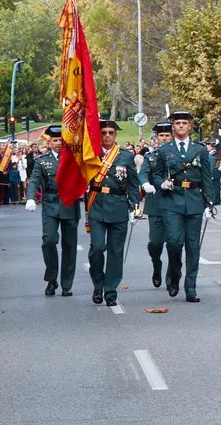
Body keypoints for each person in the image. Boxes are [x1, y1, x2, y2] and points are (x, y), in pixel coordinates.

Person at [152, 111, 213, 303]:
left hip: (194, 199)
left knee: (193, 246)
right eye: (177, 123)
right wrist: (162, 183)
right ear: (173, 126)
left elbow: (206, 177)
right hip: (172, 199)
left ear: (189, 126)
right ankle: (174, 272)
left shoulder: (200, 149)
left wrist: (209, 203)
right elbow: (156, 175)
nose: (180, 126)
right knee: (174, 242)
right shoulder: (165, 150)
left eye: (184, 123)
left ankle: (191, 287)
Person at [86, 120, 139, 307]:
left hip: (119, 207)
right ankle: (98, 284)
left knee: (116, 252)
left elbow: (133, 184)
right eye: (104, 133)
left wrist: (135, 208)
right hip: (97, 206)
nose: (107, 136)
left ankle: (110, 290)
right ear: (99, 135)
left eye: (111, 133)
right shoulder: (91, 154)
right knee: (97, 248)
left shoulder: (126, 156)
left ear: (115, 135)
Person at [25, 126, 80, 296]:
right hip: (51, 204)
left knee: (69, 246)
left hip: (69, 204)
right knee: (48, 241)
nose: (58, 143)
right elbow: (34, 180)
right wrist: (31, 197)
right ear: (49, 142)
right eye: (55, 140)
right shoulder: (42, 161)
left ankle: (67, 284)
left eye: (60, 141)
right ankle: (51, 278)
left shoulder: (74, 159)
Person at [139, 122, 172, 288]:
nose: (164, 138)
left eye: (167, 135)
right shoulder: (150, 157)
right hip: (156, 203)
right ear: (156, 137)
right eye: (161, 135)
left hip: (174, 202)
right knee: (155, 243)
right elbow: (143, 173)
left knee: (174, 243)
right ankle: (156, 264)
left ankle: (172, 276)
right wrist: (145, 184)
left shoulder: (178, 155)